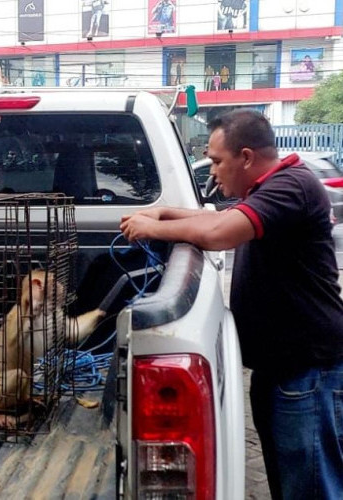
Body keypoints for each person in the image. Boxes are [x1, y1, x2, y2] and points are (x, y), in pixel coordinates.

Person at [120, 109, 343, 499]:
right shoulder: (267, 189)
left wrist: (153, 227)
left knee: (310, 484)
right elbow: (215, 219)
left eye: (218, 161)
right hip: (284, 367)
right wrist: (163, 211)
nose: (214, 172)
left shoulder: (292, 185)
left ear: (246, 157)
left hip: (307, 370)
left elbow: (222, 232)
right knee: (291, 480)